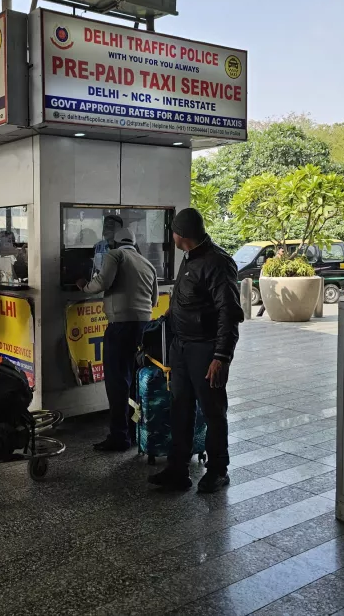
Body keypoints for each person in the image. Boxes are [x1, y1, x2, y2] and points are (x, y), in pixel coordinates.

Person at [148, 208, 243, 493]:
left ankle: (218, 470)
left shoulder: (218, 262)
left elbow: (229, 313)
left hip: (206, 349)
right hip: (182, 346)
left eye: (173, 232)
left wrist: (221, 357)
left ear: (181, 235)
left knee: (213, 412)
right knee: (180, 408)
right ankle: (177, 470)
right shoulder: (189, 258)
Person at [77, 228, 159, 451]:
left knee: (116, 382)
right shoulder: (147, 263)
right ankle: (134, 432)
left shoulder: (116, 255)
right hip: (144, 327)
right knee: (133, 379)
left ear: (114, 241)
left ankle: (119, 436)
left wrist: (84, 285)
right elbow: (153, 300)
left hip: (120, 326)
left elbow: (102, 283)